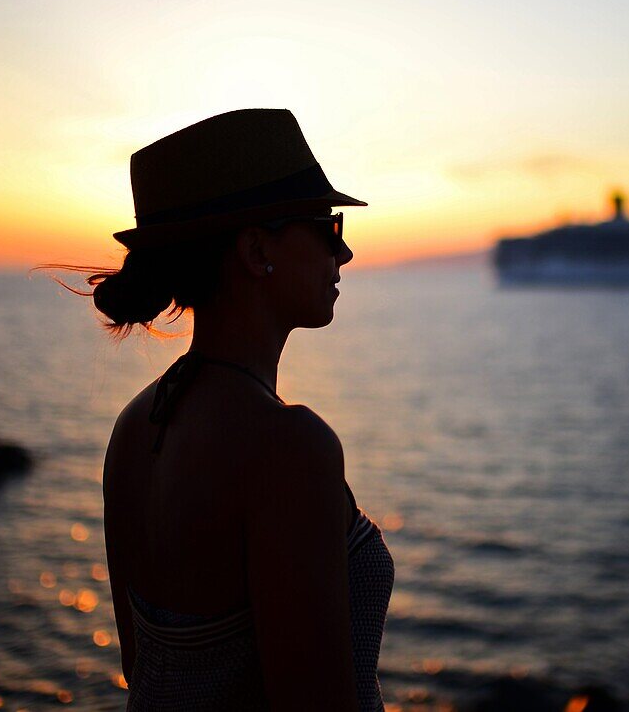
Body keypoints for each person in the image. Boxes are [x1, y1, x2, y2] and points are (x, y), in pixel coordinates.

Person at [50, 109, 394, 711]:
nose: (344, 253)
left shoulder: (134, 428)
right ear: (258, 249)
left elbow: (145, 673)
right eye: (327, 225)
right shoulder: (288, 448)